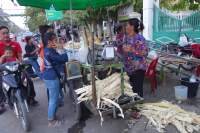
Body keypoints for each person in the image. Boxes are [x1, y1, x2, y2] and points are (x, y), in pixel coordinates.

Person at [43, 32, 68, 127]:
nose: (56, 41)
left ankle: (53, 115)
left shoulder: (48, 49)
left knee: (53, 98)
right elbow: (62, 58)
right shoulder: (49, 51)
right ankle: (51, 120)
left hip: (49, 76)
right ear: (49, 41)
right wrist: (63, 50)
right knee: (53, 99)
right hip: (51, 77)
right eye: (55, 40)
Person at [121, 19, 148, 97]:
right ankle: (133, 107)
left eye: (127, 25)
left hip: (138, 68)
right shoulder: (125, 38)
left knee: (137, 92)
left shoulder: (140, 38)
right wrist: (124, 49)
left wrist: (133, 50)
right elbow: (125, 50)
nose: (126, 27)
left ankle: (139, 107)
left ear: (132, 27)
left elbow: (145, 53)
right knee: (130, 91)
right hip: (128, 68)